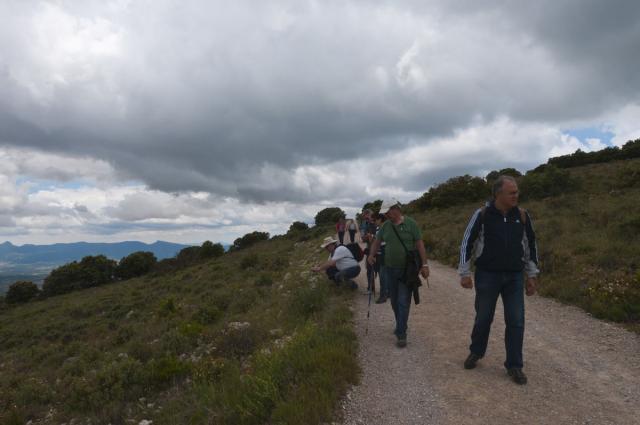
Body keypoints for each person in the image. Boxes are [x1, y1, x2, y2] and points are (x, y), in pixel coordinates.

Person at [458, 175, 539, 385]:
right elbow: (467, 242)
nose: (516, 196)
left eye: (517, 192)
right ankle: (476, 351)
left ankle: (514, 365)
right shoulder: (482, 214)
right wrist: (464, 273)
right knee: (483, 317)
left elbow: (530, 245)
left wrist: (531, 275)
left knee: (516, 321)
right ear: (498, 194)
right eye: (512, 192)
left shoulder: (522, 215)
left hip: (514, 276)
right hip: (487, 275)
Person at [367, 199, 429, 347]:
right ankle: (401, 324)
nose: (386, 215)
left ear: (396, 209)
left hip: (407, 270)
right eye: (385, 213)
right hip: (389, 268)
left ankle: (401, 333)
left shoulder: (411, 224)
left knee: (403, 300)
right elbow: (377, 241)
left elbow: (420, 244)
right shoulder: (385, 226)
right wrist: (371, 254)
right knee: (394, 301)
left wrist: (425, 264)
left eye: (387, 212)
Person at [374, 213, 389, 304]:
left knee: (383, 275)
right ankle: (388, 293)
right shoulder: (379, 228)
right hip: (381, 253)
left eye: (376, 220)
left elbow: (382, 241)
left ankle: (383, 295)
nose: (375, 222)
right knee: (384, 274)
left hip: (384, 251)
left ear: (380, 219)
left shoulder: (384, 228)